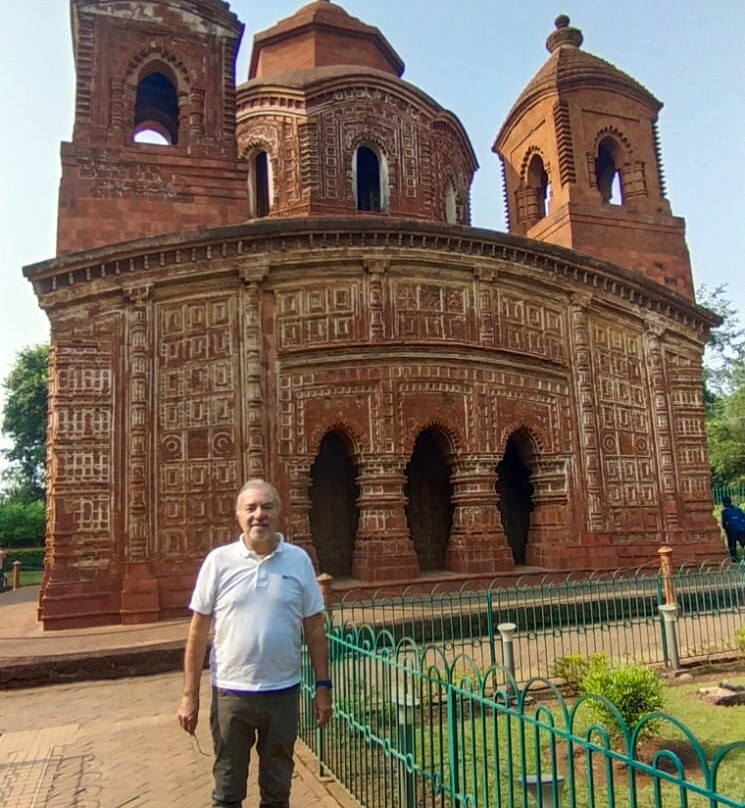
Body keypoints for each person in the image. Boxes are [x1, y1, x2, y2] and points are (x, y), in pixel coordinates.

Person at [177, 479, 332, 808]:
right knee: (227, 791)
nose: (258, 515)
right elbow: (198, 631)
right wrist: (190, 695)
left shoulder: (298, 560)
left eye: (267, 507)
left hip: (283, 692)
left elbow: (315, 628)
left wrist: (323, 686)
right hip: (231, 693)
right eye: (251, 508)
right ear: (238, 516)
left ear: (280, 514)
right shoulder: (219, 562)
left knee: (277, 791)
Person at [720, 495, 745, 562]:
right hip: (742, 530)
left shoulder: (724, 511)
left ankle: (735, 560)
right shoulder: (738, 509)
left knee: (732, 547)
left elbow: (723, 523)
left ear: (724, 503)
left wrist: (725, 529)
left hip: (731, 531)